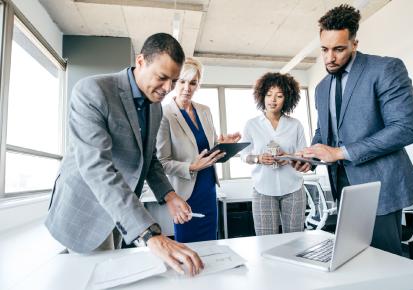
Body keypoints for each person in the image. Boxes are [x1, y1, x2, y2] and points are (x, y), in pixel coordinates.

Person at [45, 33, 203, 276]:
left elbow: (149, 158)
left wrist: (169, 195)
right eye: (162, 78)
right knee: (98, 278)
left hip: (121, 210)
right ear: (141, 61)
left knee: (115, 274)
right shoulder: (93, 90)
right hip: (86, 207)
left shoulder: (155, 108)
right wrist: (150, 234)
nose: (168, 89)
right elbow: (97, 168)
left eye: (173, 80)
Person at [293, 4, 413, 255]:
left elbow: (405, 128)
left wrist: (340, 152)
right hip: (342, 188)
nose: (330, 57)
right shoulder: (321, 88)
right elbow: (324, 133)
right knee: (354, 258)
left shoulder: (385, 69)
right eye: (324, 49)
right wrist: (309, 157)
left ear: (354, 43)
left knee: (385, 263)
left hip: (381, 187)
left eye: (339, 49)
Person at [156, 57, 241, 243]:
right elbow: (161, 162)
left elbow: (209, 152)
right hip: (185, 194)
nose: (187, 88)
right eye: (182, 81)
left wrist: (223, 145)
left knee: (212, 243)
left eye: (193, 83)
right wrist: (191, 167)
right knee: (188, 246)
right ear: (174, 82)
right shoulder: (164, 114)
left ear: (198, 85)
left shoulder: (205, 110)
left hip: (208, 188)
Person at [240, 72, 307, 236]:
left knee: (295, 240)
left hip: (293, 188)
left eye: (279, 95)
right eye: (269, 95)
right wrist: (258, 158)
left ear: (287, 99)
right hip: (263, 189)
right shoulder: (252, 125)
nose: (273, 100)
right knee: (265, 241)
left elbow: (303, 156)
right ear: (262, 96)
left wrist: (289, 157)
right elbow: (243, 155)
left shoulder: (295, 125)